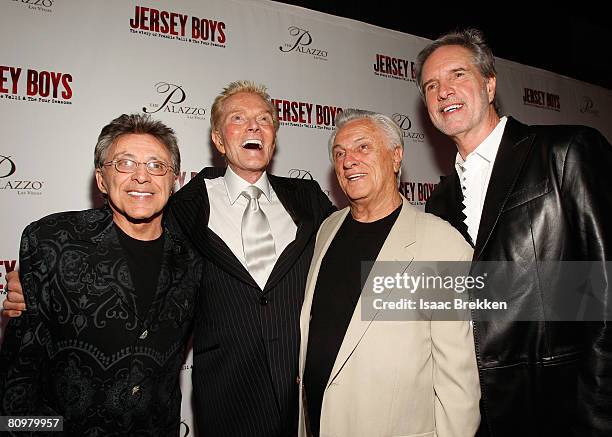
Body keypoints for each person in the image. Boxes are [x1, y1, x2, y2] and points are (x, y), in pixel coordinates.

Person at [4, 81, 335, 436]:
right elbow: (18, 379)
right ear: (218, 140)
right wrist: (34, 287)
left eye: (264, 118)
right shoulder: (182, 208)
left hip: (302, 398)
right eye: (238, 118)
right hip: (228, 404)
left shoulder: (308, 198)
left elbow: (354, 250)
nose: (142, 176)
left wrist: (396, 303)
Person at [416, 28, 612, 436]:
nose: (443, 91)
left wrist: (598, 415)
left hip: (565, 413)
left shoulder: (565, 152)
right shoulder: (437, 203)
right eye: (431, 85)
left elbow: (605, 293)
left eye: (457, 75)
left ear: (489, 84)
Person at [0, 114, 203, 435]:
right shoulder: (51, 241)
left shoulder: (192, 259)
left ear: (174, 180)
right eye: (125, 163)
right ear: (101, 179)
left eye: (156, 165)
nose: (141, 177)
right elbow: (18, 380)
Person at [297, 109, 481, 437]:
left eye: (363, 147)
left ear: (396, 157)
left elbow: (459, 383)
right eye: (339, 153)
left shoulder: (442, 244)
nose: (348, 160)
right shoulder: (327, 230)